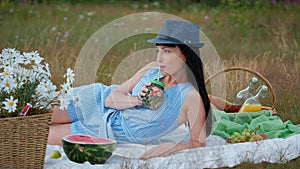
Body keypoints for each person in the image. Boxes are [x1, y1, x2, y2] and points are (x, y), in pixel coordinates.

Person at [48, 19, 211, 160]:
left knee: (32, 134)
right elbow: (110, 99)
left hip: (103, 131)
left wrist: (173, 147)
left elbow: (198, 142)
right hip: (91, 100)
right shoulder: (152, 69)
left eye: (167, 51)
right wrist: (138, 100)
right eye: (158, 50)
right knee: (29, 113)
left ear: (186, 55)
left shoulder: (190, 97)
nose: (159, 58)